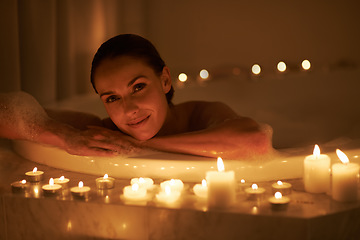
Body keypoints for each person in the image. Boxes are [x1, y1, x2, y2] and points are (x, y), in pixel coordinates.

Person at [0, 34, 272, 160]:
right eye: (112, 98)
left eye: (138, 87)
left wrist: (145, 147)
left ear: (164, 80)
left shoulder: (202, 115)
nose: (129, 109)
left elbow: (255, 140)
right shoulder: (104, 131)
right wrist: (66, 136)